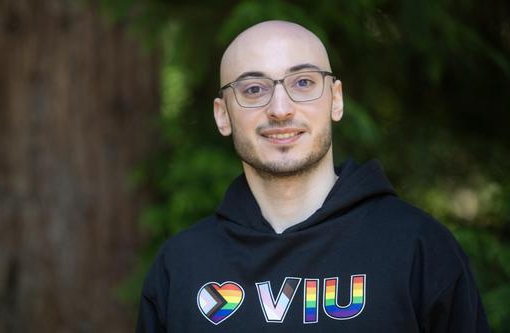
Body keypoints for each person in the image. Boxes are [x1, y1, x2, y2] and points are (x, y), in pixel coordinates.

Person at [136, 20, 490, 332]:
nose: (280, 109)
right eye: (253, 89)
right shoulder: (181, 267)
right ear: (222, 116)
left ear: (336, 99)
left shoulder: (418, 248)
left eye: (303, 82)